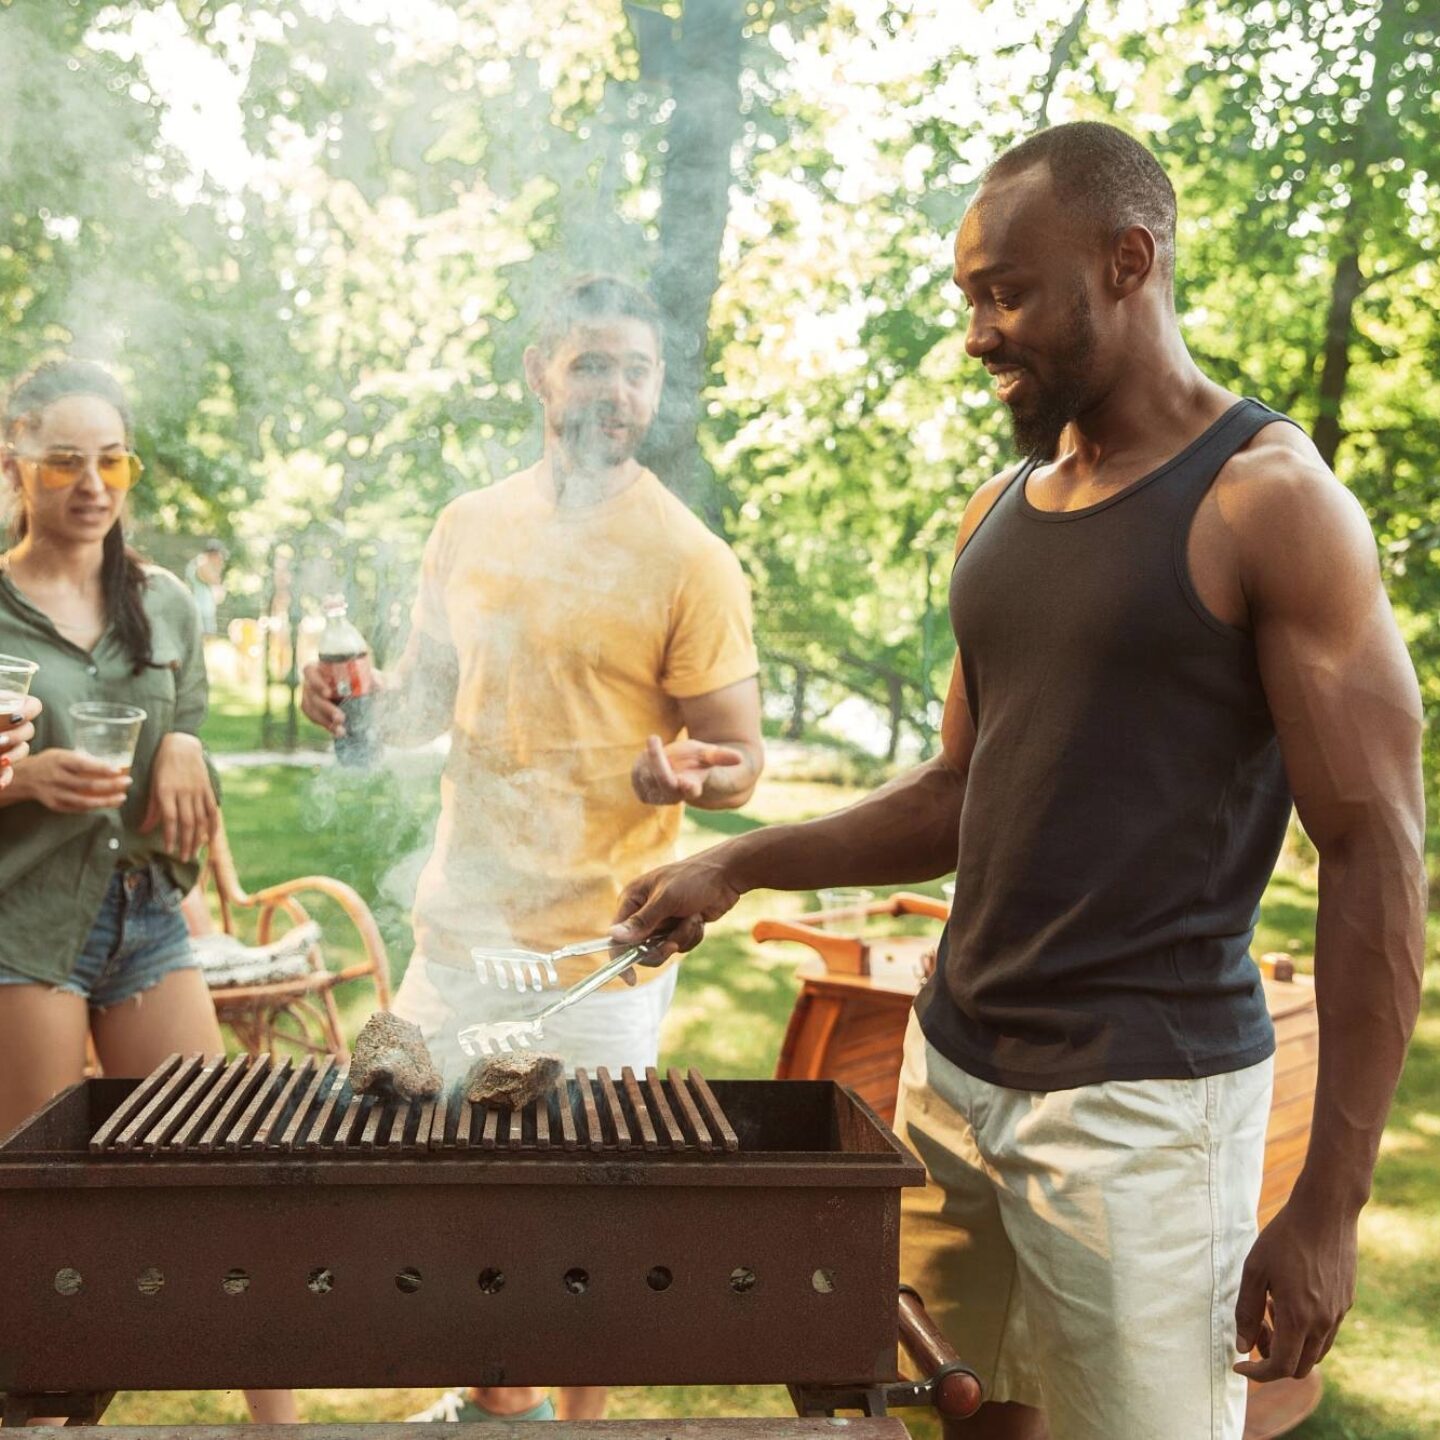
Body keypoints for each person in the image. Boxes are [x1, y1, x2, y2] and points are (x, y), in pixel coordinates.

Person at [608, 123, 1425, 1440]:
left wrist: (1330, 1206)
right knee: (972, 1419)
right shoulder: (998, 512)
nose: (977, 334)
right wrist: (734, 860)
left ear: (1128, 262)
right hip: (953, 1080)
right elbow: (955, 796)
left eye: (1006, 293)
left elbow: (1376, 851)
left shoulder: (1268, 502)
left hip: (1144, 1121)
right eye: (967, 299)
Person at [301, 274, 764, 1424]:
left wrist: (694, 772)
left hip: (596, 954)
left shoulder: (688, 556)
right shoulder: (470, 524)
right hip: (458, 931)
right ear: (541, 370)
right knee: (451, 1200)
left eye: (638, 370)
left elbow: (740, 754)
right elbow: (422, 702)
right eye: (593, 362)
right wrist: (354, 703)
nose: (615, 390)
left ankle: (578, 1425)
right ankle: (493, 1402)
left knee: (582, 1225)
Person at [0, 359, 298, 1428]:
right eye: (64, 461)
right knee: (43, 1198)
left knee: (214, 1171)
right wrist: (22, 779)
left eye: (112, 459)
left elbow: (192, 716)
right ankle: (44, 1415)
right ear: (15, 464)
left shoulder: (163, 601)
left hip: (146, 918)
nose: (93, 483)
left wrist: (180, 742)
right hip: (25, 926)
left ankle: (281, 1429)